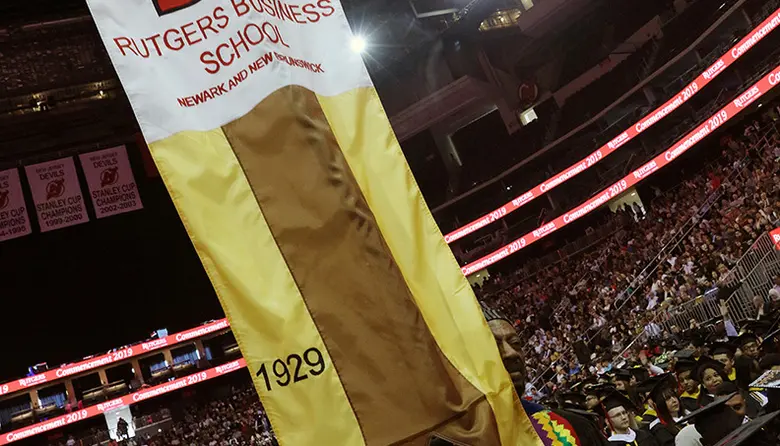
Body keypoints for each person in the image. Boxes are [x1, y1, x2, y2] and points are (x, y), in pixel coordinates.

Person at [482, 303, 608, 445]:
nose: (511, 353)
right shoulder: (461, 439)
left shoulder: (572, 428)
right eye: (492, 344)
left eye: (515, 343)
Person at [646, 375, 688, 446]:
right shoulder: (660, 429)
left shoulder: (688, 415)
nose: (674, 400)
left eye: (674, 396)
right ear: (660, 404)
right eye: (668, 399)